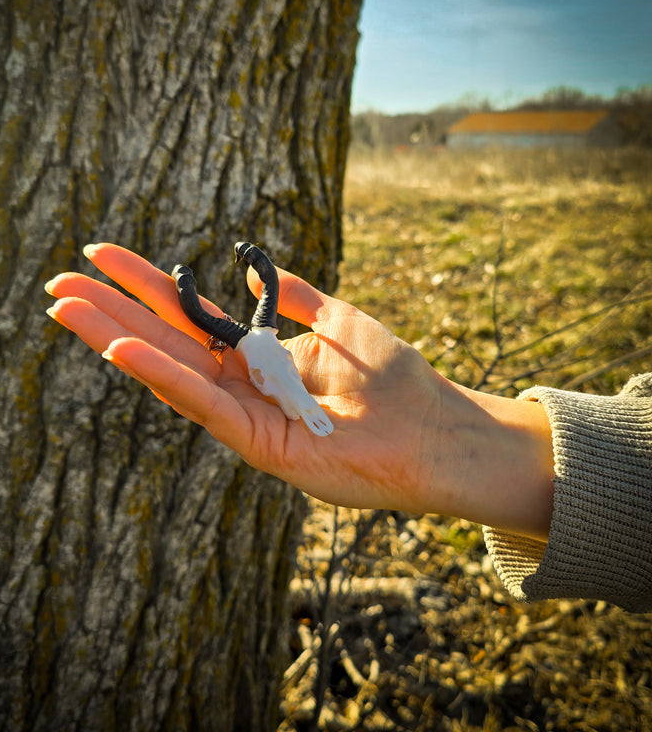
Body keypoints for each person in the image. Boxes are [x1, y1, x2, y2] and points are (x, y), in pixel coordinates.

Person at [45, 243, 652, 613]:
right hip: (265, 360)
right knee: (241, 338)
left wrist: (250, 267)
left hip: (270, 357)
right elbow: (205, 315)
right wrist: (189, 289)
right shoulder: (256, 352)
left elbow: (264, 299)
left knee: (267, 329)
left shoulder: (266, 346)